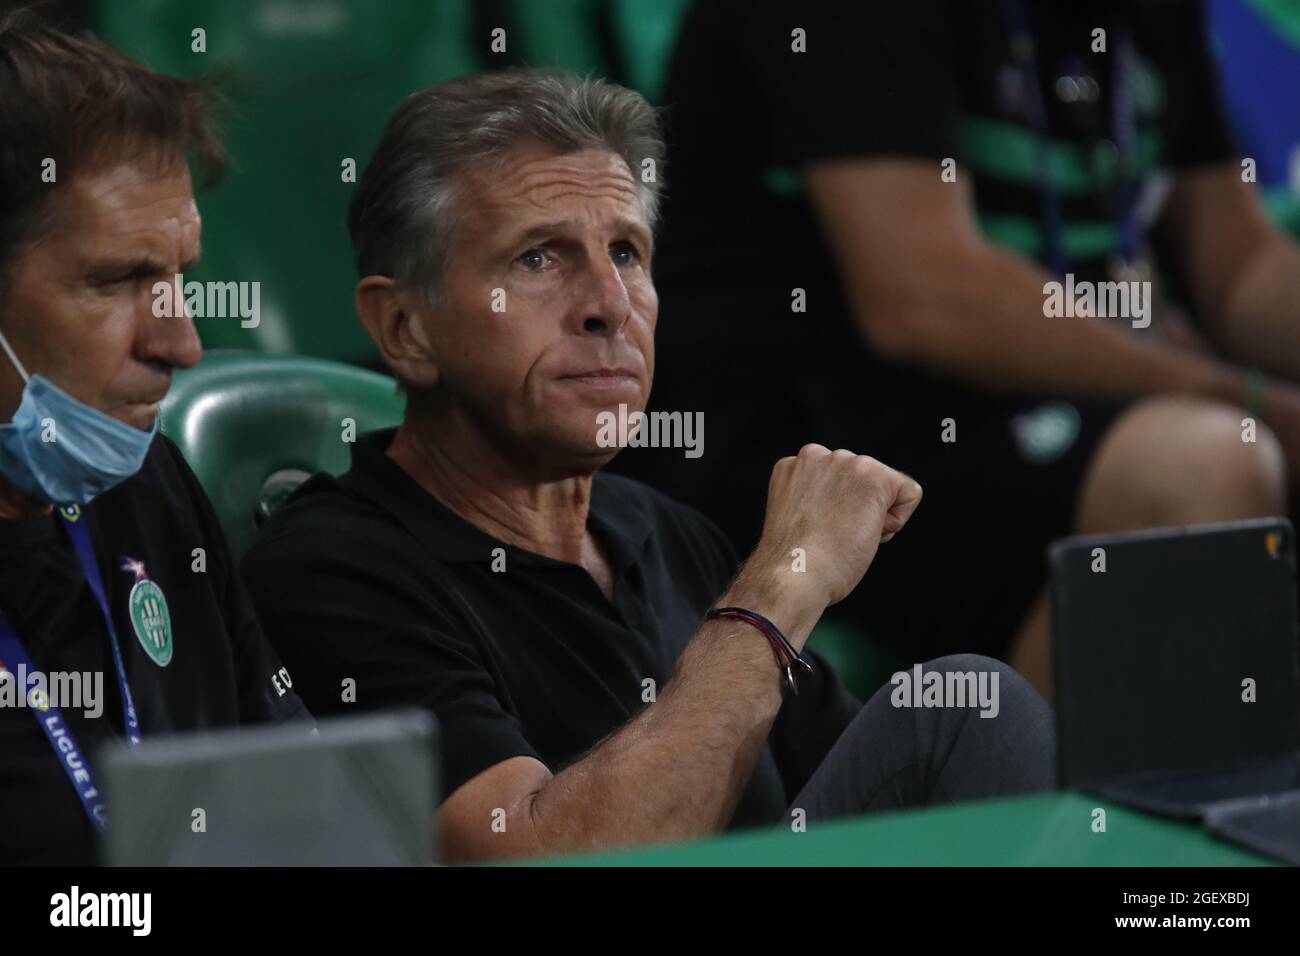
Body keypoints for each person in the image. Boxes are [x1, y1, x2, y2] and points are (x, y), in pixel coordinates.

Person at [242, 69, 1055, 864]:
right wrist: (781, 586)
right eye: (538, 259)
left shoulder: (667, 534)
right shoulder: (333, 567)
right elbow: (525, 857)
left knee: (964, 711)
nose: (610, 304)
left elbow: (880, 796)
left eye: (627, 253)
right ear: (404, 327)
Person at [618, 0, 1297, 697]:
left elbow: (1238, 268)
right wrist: (1242, 400)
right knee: (1209, 466)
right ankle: (1024, 793)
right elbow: (923, 298)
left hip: (1045, 413)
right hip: (814, 440)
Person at [0, 11, 309, 866]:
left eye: (180, 280)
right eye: (120, 280)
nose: (181, 344)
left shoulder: (150, 484)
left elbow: (294, 812)